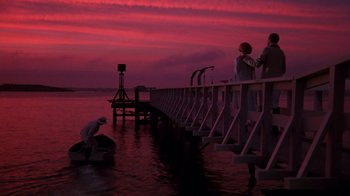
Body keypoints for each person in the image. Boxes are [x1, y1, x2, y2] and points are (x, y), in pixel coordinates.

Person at [234, 42, 257, 190]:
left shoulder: (237, 59)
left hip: (239, 83)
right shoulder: (248, 59)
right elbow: (254, 67)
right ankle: (249, 123)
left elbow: (236, 72)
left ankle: (243, 122)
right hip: (248, 84)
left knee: (241, 105)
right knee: (249, 104)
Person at [256, 33, 286, 113]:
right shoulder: (281, 52)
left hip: (266, 79)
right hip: (278, 80)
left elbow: (257, 64)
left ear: (269, 39)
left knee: (263, 102)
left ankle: (263, 123)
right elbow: (283, 70)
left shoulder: (266, 50)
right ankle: (275, 124)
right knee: (275, 104)